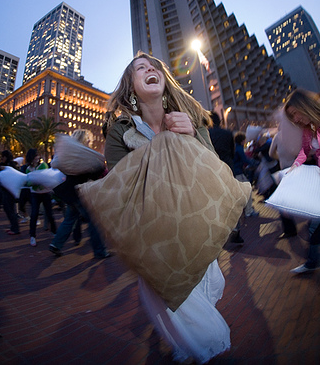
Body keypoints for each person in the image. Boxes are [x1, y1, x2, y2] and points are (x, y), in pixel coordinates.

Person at [104, 52, 232, 364]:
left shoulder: (191, 116)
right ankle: (199, 343)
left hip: (196, 219)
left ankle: (188, 340)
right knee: (166, 293)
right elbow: (121, 185)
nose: (150, 69)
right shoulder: (121, 129)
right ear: (131, 87)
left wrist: (190, 136)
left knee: (206, 285)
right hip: (155, 228)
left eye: (154, 66)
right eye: (140, 68)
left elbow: (216, 169)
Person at [50, 129, 110, 259]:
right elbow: (97, 170)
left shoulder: (70, 157)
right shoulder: (85, 157)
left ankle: (56, 244)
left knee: (69, 220)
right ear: (84, 140)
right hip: (82, 194)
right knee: (93, 222)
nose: (90, 142)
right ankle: (100, 251)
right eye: (88, 140)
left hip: (71, 194)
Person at [283, 88, 320, 274]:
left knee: (313, 230)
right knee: (313, 229)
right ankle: (312, 262)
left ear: (304, 106)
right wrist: (294, 167)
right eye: (292, 116)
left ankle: (312, 262)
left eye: (295, 113)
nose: (295, 119)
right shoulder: (309, 129)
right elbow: (305, 152)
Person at [208, 111, 244, 244]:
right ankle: (236, 230)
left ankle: (218, 234)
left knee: (215, 202)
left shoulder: (206, 134)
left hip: (213, 169)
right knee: (231, 200)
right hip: (228, 168)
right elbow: (232, 152)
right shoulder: (228, 133)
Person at [269, 110, 302, 239]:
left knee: (282, 202)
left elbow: (271, 153)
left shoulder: (278, 136)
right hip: (298, 170)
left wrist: (280, 158)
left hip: (284, 172)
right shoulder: (297, 135)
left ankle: (290, 229)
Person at [25, 149, 57, 247]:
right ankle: (32, 236)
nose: (37, 158)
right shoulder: (28, 169)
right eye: (35, 156)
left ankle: (54, 232)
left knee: (49, 214)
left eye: (38, 156)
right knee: (34, 214)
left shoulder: (43, 166)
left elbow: (47, 178)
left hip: (45, 193)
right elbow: (28, 181)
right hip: (35, 194)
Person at [234, 132, 259, 217]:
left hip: (235, 172)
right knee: (248, 190)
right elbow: (245, 159)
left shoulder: (236, 147)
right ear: (242, 140)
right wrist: (254, 163)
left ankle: (244, 209)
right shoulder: (239, 148)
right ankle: (249, 211)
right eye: (244, 139)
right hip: (238, 172)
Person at [0, 150, 21, 235]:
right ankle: (13, 227)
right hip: (6, 190)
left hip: (10, 190)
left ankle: (15, 228)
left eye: (3, 157)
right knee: (8, 209)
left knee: (10, 209)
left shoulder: (12, 165)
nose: (1, 158)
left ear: (6, 157)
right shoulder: (5, 165)